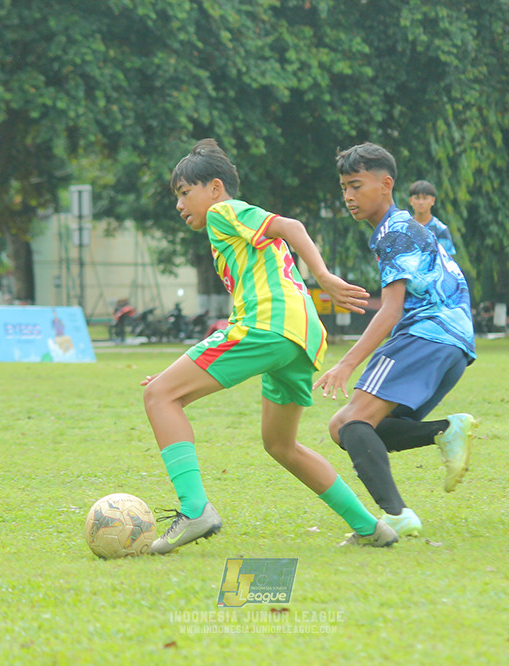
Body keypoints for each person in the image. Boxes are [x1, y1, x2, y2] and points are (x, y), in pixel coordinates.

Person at [141, 138, 398, 554]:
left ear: (215, 188)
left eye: (185, 193)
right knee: (280, 444)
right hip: (301, 337)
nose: (179, 204)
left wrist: (324, 276)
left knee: (158, 396)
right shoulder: (234, 235)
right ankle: (370, 526)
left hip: (271, 326)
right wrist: (177, 375)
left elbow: (291, 226)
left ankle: (195, 510)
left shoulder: (225, 213)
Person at [314, 142, 477, 538]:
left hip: (427, 336)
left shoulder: (395, 232)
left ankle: (396, 515)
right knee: (343, 427)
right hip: (451, 344)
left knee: (352, 421)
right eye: (344, 189)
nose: (349, 197)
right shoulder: (399, 229)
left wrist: (347, 362)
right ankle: (444, 430)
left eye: (356, 186)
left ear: (386, 184)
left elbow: (390, 310)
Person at [407, 180, 457, 256]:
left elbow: (447, 261)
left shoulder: (440, 230)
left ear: (433, 200)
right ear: (411, 200)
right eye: (417, 198)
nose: (421, 202)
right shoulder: (404, 227)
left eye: (425, 198)